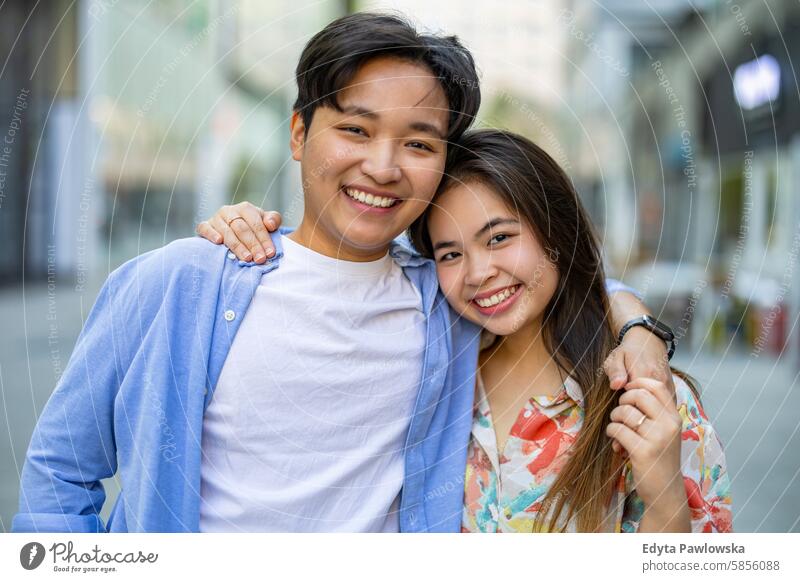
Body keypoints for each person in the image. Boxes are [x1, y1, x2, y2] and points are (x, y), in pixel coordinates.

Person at [15, 13, 666, 533]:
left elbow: (549, 282)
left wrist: (637, 326)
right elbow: (61, 471)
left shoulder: (444, 304)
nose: (383, 167)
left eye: (418, 143)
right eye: (355, 129)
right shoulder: (176, 284)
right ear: (299, 134)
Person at [204, 129, 732, 532]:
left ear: (557, 231)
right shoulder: (422, 371)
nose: (479, 273)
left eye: (500, 238)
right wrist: (252, 234)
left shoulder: (649, 397)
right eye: (450, 253)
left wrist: (663, 490)